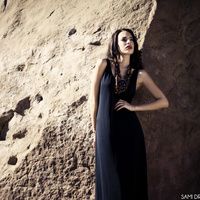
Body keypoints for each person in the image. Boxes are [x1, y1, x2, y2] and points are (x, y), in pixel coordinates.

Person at [89, 28, 169, 200]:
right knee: (109, 179)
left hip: (130, 133)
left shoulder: (140, 74)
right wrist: (95, 130)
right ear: (115, 45)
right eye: (124, 39)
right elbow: (93, 99)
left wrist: (134, 108)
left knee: (128, 181)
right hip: (105, 131)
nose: (128, 42)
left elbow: (163, 101)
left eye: (131, 39)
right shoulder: (103, 64)